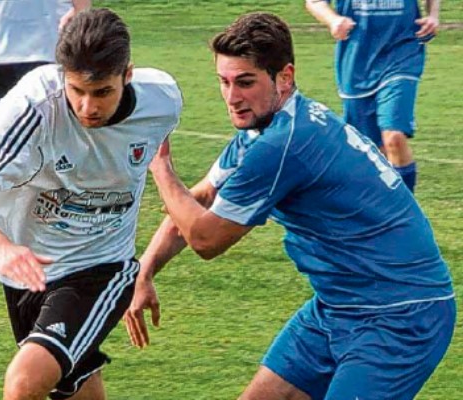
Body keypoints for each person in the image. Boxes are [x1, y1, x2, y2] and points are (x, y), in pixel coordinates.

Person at [124, 12, 455, 400]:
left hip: (399, 314)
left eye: (245, 82)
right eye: (224, 82)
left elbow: (206, 238)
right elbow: (198, 201)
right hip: (338, 305)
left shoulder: (286, 143)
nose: (232, 98)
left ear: (284, 76)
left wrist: (159, 166)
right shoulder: (268, 128)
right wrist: (143, 272)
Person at [0, 8, 182, 400]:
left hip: (100, 268)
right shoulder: (33, 107)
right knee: (74, 388)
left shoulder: (163, 100)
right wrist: (2, 248)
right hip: (29, 272)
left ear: (127, 75)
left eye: (102, 93)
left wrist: (143, 276)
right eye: (77, 90)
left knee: (24, 383)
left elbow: (150, 148)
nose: (87, 107)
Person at [305, 0, 441, 193]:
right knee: (372, 152)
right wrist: (333, 20)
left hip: (403, 52)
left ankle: (405, 214)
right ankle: (382, 213)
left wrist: (433, 15)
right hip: (357, 60)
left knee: (394, 136)